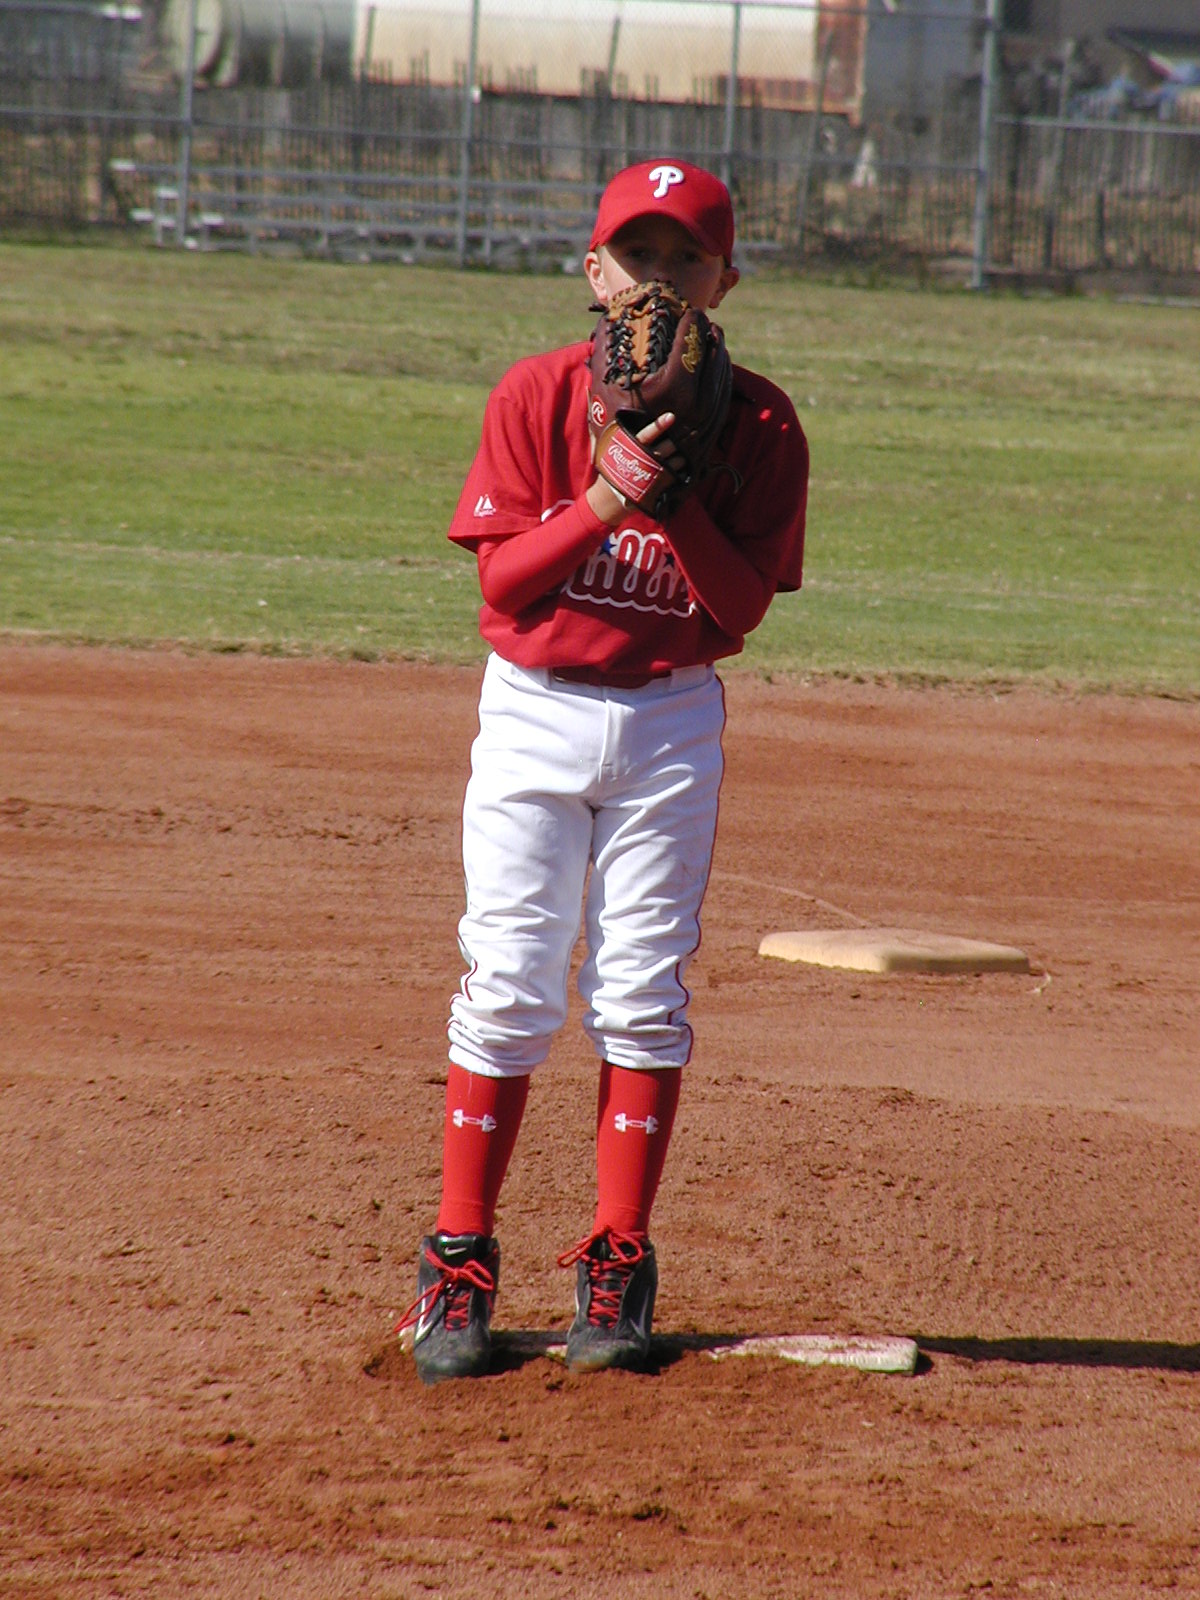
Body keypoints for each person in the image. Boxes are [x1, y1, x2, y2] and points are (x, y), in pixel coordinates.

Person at [397, 158, 809, 1383]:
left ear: (726, 280)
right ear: (594, 269)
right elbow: (502, 588)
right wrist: (603, 495)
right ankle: (458, 1259)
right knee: (510, 985)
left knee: (638, 993)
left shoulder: (763, 424)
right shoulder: (536, 394)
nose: (659, 280)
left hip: (669, 721)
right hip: (534, 711)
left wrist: (673, 506)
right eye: (638, 255)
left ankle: (617, 1257)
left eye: (687, 258)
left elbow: (738, 612)